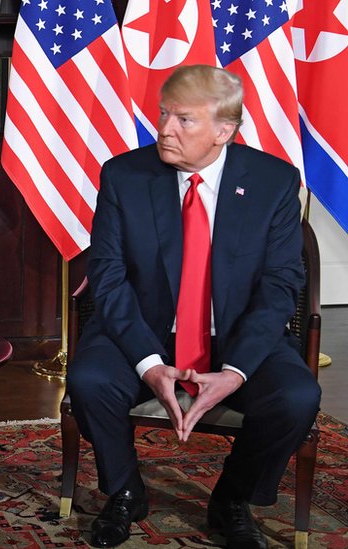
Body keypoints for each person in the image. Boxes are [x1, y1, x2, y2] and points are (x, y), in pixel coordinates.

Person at [67, 65, 320, 549]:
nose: (164, 128)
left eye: (184, 119)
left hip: (237, 334)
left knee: (297, 398)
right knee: (89, 379)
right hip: (143, 328)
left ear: (224, 131)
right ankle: (125, 492)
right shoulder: (124, 175)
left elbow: (280, 286)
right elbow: (110, 277)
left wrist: (237, 371)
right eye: (163, 114)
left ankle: (232, 497)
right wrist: (149, 363)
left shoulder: (274, 183)